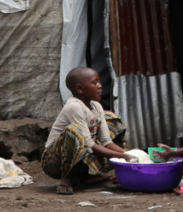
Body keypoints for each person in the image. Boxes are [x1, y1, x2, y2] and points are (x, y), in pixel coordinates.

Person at [42, 67, 132, 195]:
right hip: (54, 163)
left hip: (82, 153)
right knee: (73, 131)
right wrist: (121, 156)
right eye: (95, 83)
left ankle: (90, 175)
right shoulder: (74, 106)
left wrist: (127, 153)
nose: (100, 86)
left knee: (111, 119)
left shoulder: (96, 106)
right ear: (79, 88)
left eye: (99, 82)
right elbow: (88, 143)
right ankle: (66, 178)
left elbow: (106, 141)